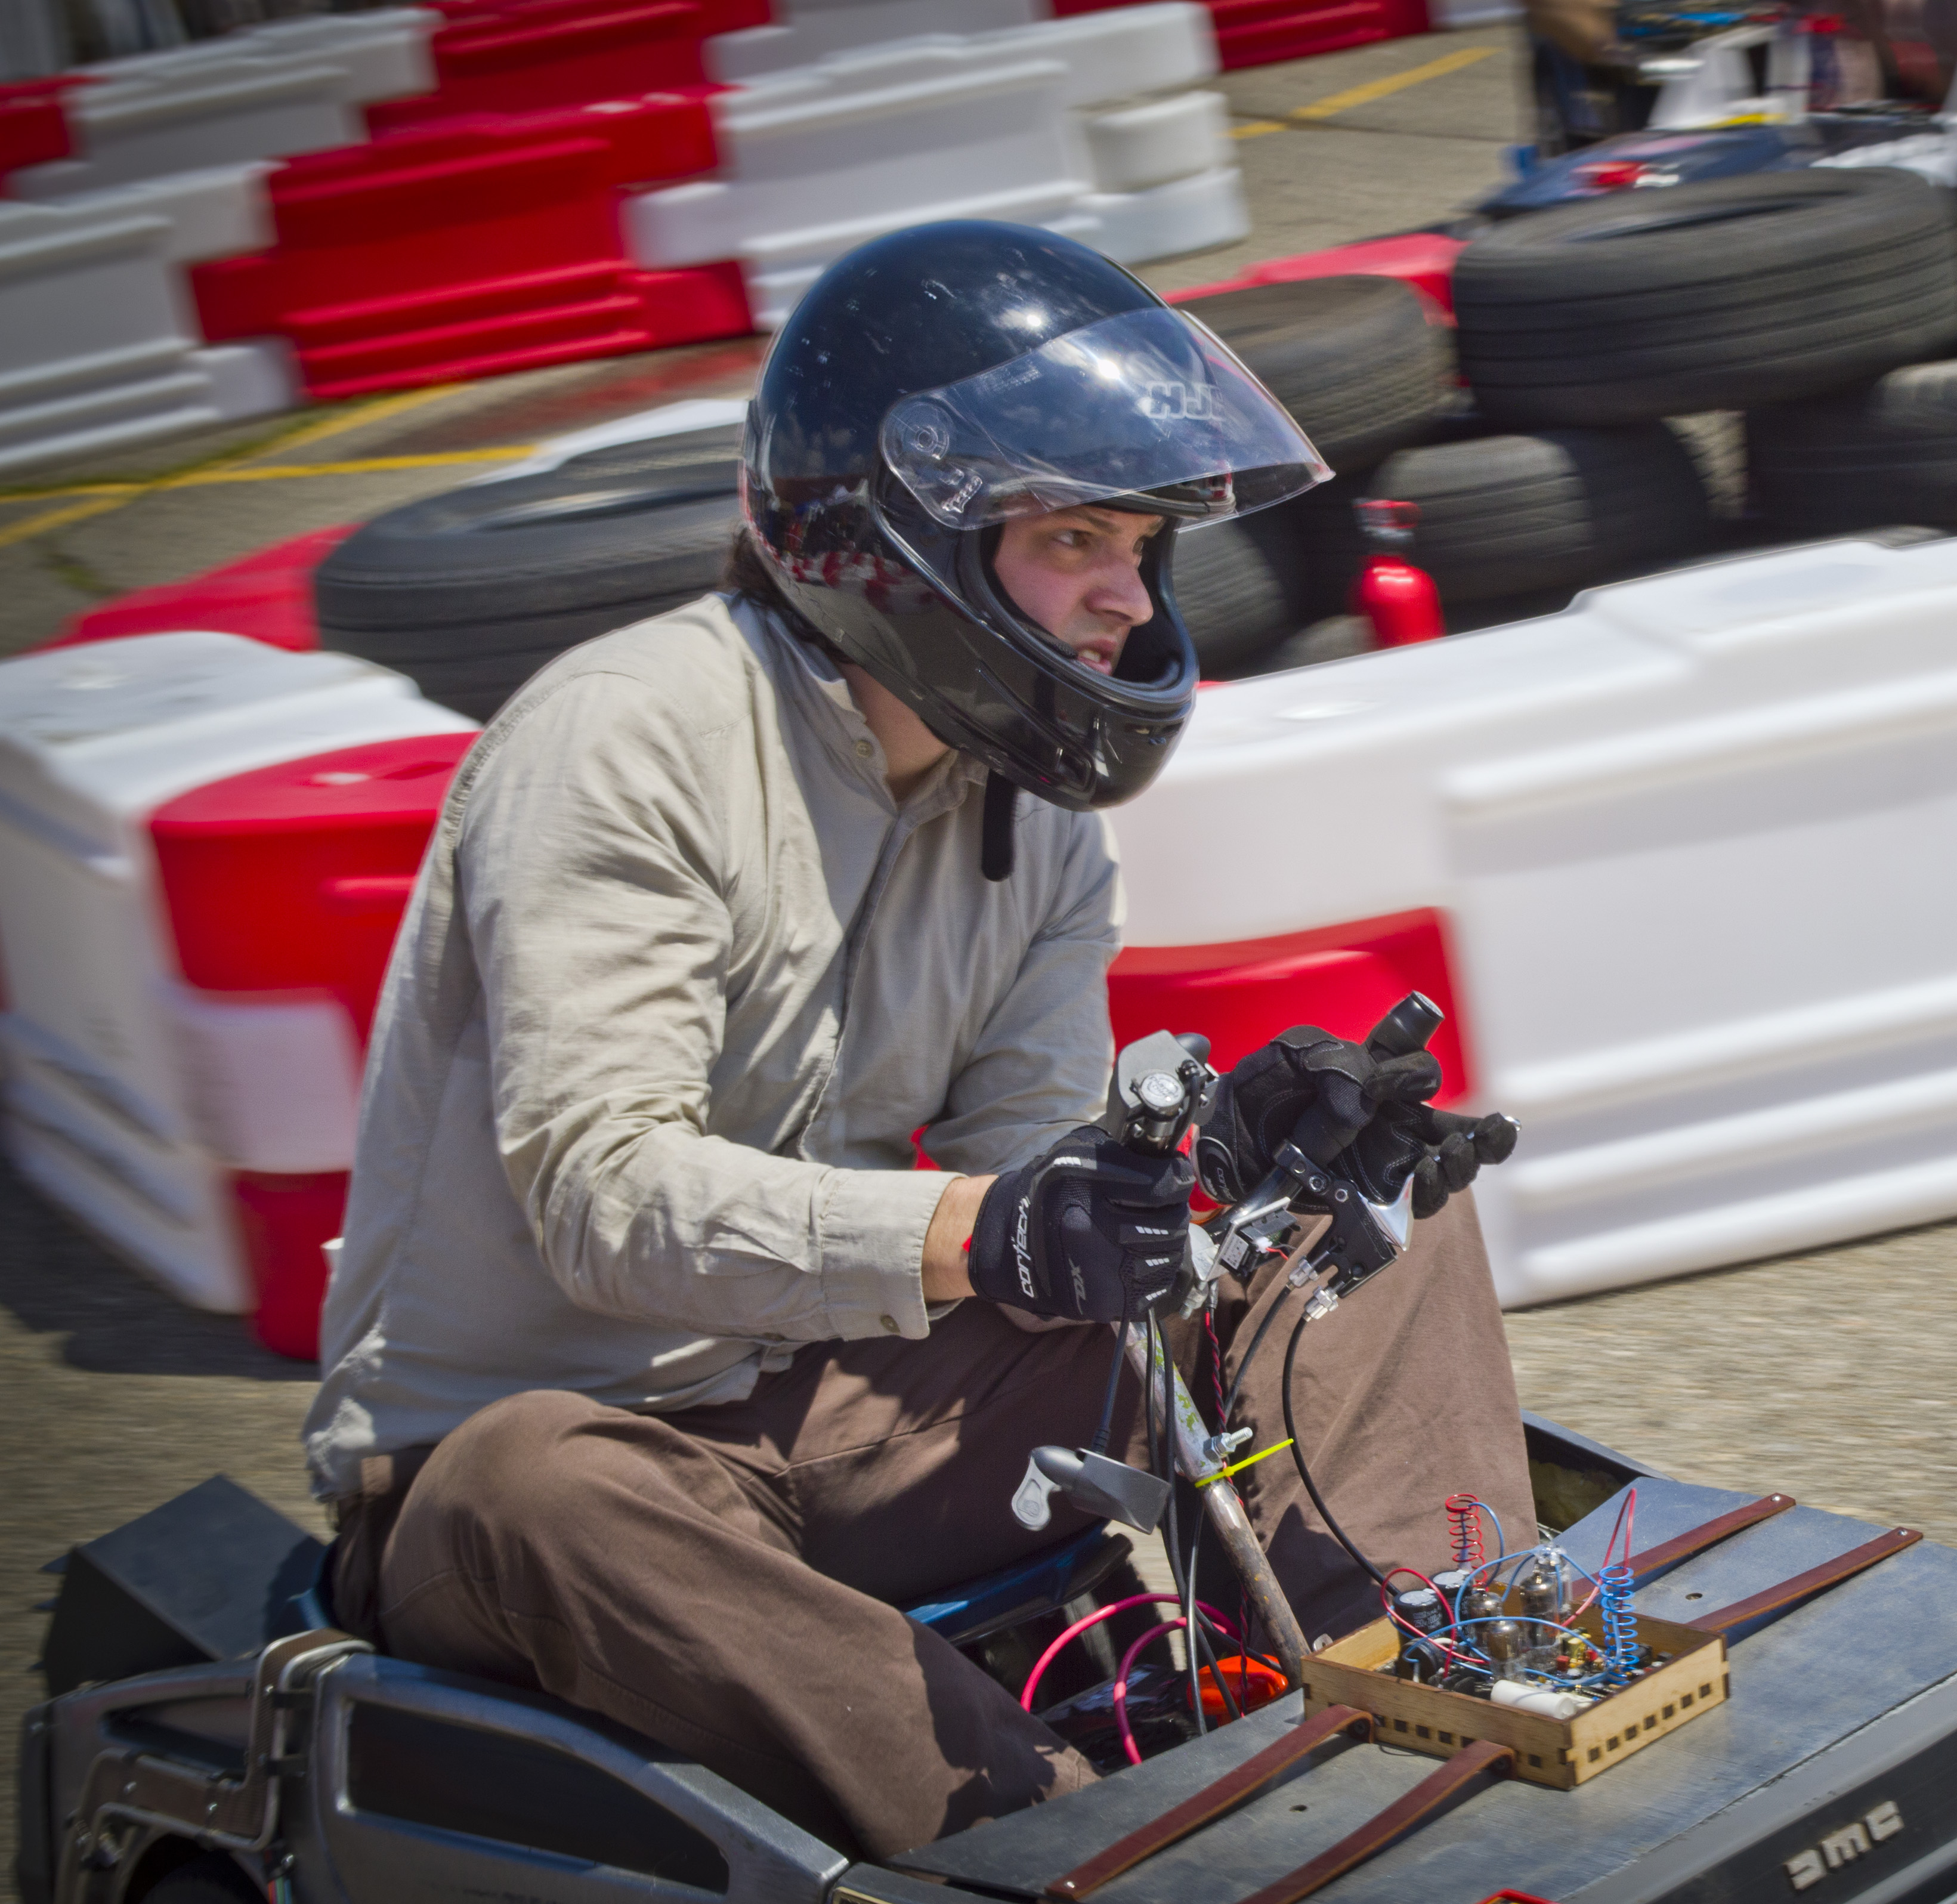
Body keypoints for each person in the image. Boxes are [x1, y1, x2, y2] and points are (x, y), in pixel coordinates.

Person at [302, 221, 1528, 1862]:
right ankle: (1093, 1855)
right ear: (896, 540)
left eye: (1139, 548)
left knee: (1362, 1217)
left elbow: (1039, 1187)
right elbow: (605, 1202)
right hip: (574, 1471)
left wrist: (1220, 1162)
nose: (1128, 596)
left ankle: (1439, 1719)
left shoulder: (1035, 810)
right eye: (1075, 537)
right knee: (530, 1481)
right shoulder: (625, 740)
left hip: (846, 1408)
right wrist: (982, 1228)